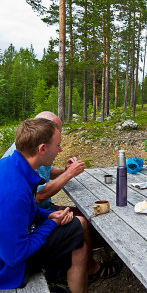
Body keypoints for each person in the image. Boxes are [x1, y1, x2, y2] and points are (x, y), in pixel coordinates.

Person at [0, 118, 121, 292]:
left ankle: (75, 274)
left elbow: (27, 211)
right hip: (9, 270)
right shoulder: (14, 192)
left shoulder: (10, 165)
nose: (60, 150)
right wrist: (52, 223)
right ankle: (80, 272)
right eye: (57, 145)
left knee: (78, 242)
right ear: (42, 149)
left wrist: (47, 215)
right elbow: (14, 255)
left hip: (16, 245)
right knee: (77, 227)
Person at [1, 111, 85, 211]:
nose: (60, 149)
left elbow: (47, 172)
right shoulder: (23, 162)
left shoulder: (28, 150)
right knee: (84, 221)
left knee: (84, 215)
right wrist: (69, 174)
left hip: (41, 211)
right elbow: (39, 196)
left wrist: (66, 170)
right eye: (57, 131)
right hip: (35, 214)